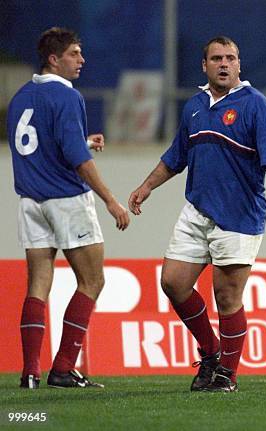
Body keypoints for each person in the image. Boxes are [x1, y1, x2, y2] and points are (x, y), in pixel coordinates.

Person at [128, 36, 266, 393]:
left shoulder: (256, 106)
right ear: (204, 65)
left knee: (227, 296)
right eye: (216, 58)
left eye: (230, 58)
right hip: (197, 212)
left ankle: (226, 376)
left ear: (239, 64)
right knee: (172, 282)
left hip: (239, 215)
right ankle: (211, 351)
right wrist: (146, 186)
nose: (224, 64)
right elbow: (175, 157)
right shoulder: (194, 106)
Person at [7, 27, 130, 389]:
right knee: (93, 280)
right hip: (67, 201)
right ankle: (62, 367)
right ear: (54, 58)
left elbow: (39, 147)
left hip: (30, 203)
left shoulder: (21, 97)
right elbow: (76, 160)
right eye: (75, 53)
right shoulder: (66, 96)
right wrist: (110, 199)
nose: (82, 60)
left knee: (38, 286)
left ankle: (30, 371)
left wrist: (82, 142)